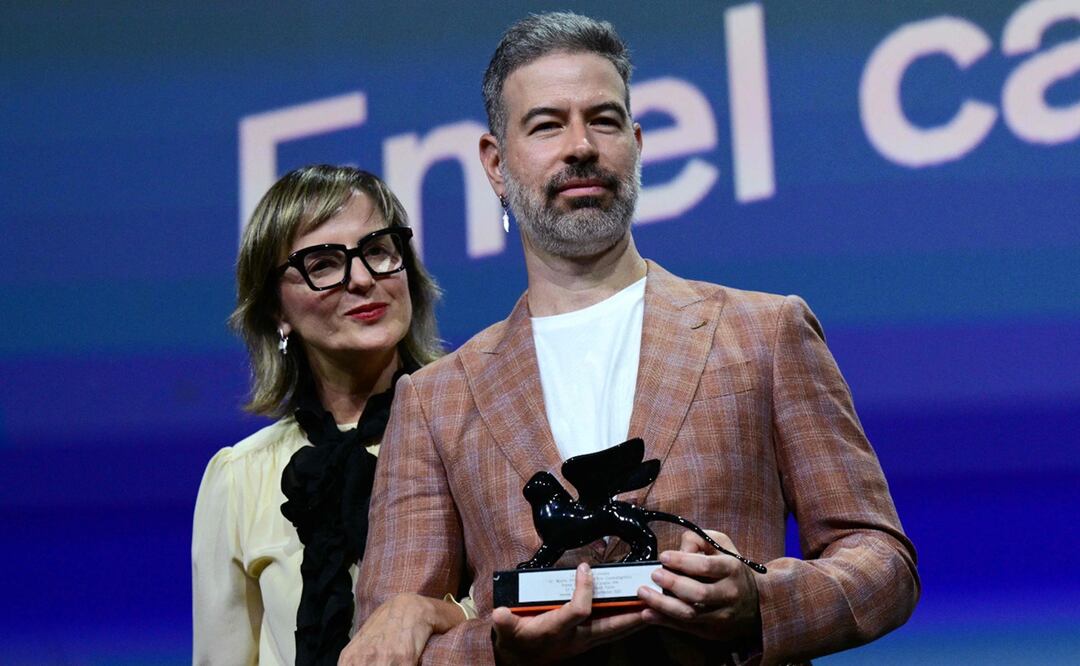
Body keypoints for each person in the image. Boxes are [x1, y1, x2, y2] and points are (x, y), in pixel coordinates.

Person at [355, 12, 919, 665]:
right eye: (546, 125)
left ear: (637, 142)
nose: (581, 146)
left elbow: (883, 565)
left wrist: (757, 602)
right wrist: (501, 651)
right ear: (495, 164)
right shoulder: (433, 400)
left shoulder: (764, 333)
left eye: (604, 119)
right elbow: (386, 647)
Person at [192, 165, 472, 666]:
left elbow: (530, 612)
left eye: (379, 250)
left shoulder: (480, 429)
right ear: (277, 311)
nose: (363, 279)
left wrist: (429, 614)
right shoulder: (240, 478)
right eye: (322, 264)